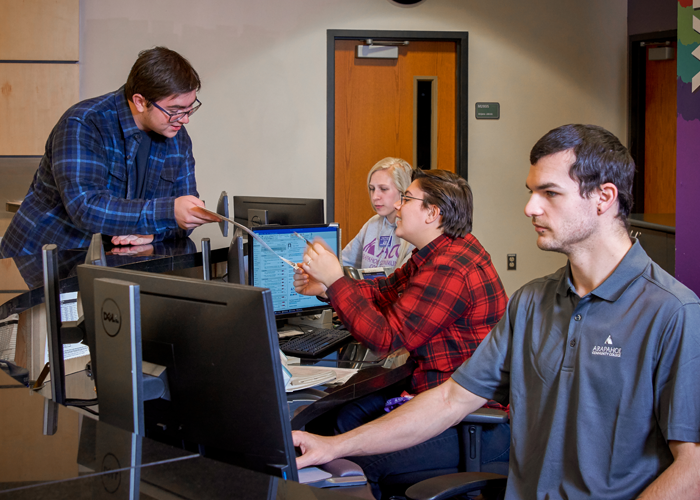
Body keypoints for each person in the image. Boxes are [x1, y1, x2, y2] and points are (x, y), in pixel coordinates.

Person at [292, 124, 700, 500]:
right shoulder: (532, 303)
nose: (530, 209)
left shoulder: (673, 313)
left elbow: (694, 467)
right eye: (531, 192)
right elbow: (451, 399)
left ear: (604, 198)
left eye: (550, 193)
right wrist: (333, 446)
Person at [293, 169, 509, 497]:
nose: (397, 206)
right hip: (431, 388)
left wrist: (338, 281)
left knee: (359, 462)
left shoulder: (451, 268)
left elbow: (386, 339)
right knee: (337, 419)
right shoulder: (437, 252)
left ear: (432, 213)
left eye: (406, 199)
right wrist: (327, 289)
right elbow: (383, 292)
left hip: (467, 415)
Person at [0, 46, 218, 258]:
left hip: (105, 264)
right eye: (175, 111)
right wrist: (168, 211)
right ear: (140, 102)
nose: (185, 119)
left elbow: (182, 218)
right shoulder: (84, 124)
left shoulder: (177, 137)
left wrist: (154, 233)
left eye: (190, 108)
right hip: (39, 261)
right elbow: (86, 208)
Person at [342, 157, 415, 272]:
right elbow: (344, 262)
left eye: (384, 189)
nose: (375, 196)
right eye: (372, 189)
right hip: (366, 289)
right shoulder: (372, 224)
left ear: (403, 191)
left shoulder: (414, 232)